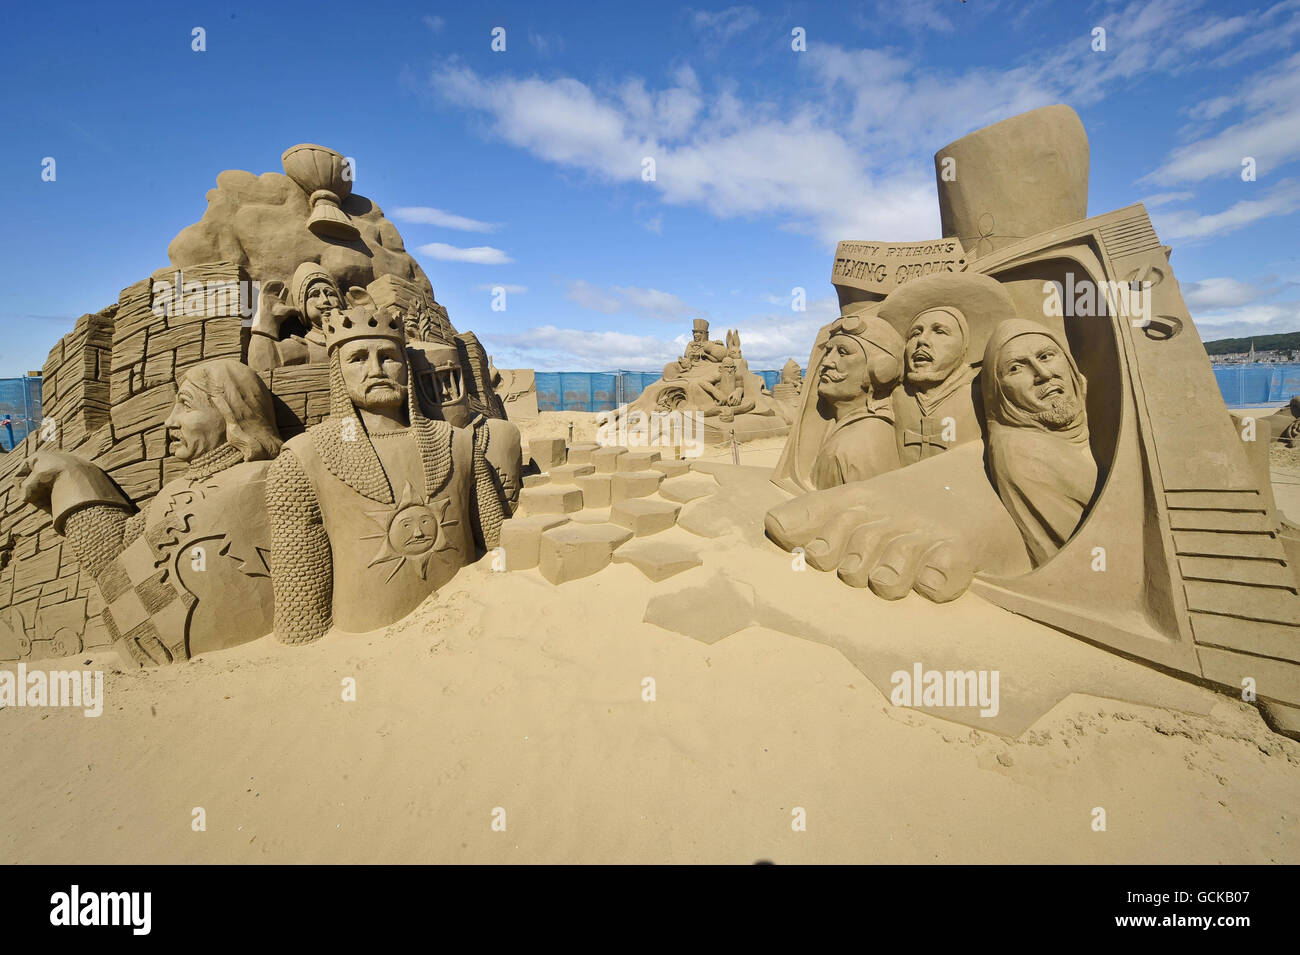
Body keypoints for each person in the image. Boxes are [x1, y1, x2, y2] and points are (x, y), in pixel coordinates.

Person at [266, 301, 514, 645]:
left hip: (473, 630)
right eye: (357, 359)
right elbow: (301, 607)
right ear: (337, 371)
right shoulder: (302, 460)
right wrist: (302, 630)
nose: (376, 369)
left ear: (405, 367)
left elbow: (499, 545)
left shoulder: (458, 444)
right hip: (363, 645)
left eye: (388, 356)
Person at [20, 359, 283, 664]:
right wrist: (70, 477)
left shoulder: (264, 480)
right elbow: (114, 568)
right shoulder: (171, 492)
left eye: (186, 405)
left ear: (230, 412)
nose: (169, 422)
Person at [981, 319, 1098, 565]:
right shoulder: (1022, 453)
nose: (1043, 375)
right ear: (999, 392)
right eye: (1015, 368)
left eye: (1045, 356)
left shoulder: (1095, 419)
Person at [808, 314, 904, 489]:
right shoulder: (844, 431)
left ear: (880, 370)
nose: (827, 362)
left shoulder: (860, 444)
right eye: (828, 352)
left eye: (843, 353)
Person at [248, 262, 344, 372]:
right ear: (301, 306)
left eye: (330, 293)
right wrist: (266, 321)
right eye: (314, 295)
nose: (325, 300)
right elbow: (262, 367)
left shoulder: (358, 335)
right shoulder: (304, 347)